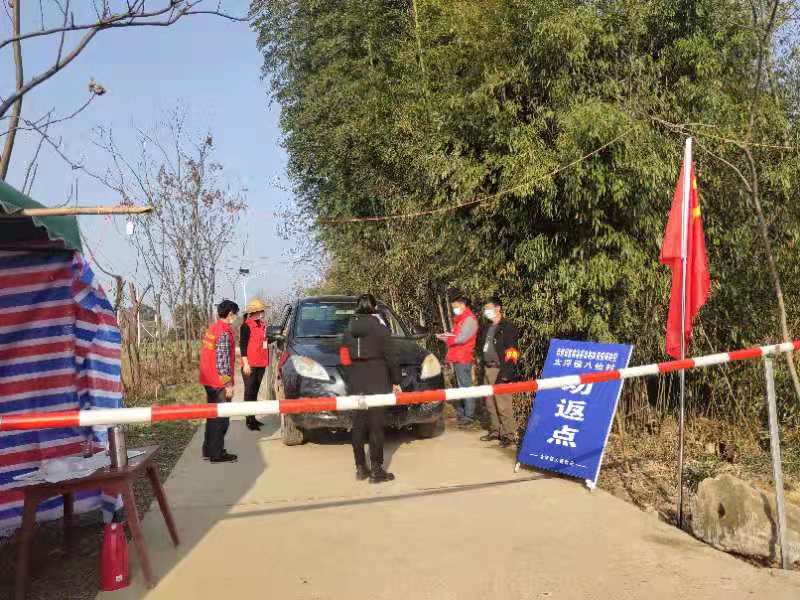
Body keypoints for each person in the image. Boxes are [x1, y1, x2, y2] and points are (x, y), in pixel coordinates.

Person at [340, 293, 402, 483]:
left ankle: (360, 468)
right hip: (378, 381)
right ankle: (376, 470)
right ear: (374, 308)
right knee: (376, 427)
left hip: (356, 382)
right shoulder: (381, 329)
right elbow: (391, 357)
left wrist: (350, 375)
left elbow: (343, 358)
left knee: (358, 425)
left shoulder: (348, 330)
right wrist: (396, 380)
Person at [199, 299, 240, 463]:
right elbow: (222, 363)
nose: (236, 317)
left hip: (208, 379)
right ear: (230, 314)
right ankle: (217, 453)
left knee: (212, 416)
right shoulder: (224, 332)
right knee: (221, 419)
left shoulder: (213, 328)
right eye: (235, 314)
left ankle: (208, 450)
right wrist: (228, 385)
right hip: (219, 383)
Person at [479, 296, 521, 448]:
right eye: (485, 309)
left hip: (500, 369)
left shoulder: (507, 327)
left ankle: (509, 434)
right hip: (487, 368)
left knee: (503, 404)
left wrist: (506, 373)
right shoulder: (487, 327)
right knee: (490, 403)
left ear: (498, 308)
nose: (486, 311)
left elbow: (512, 352)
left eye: (488, 308)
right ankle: (495, 430)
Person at [436, 295, 478, 426]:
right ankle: (462, 414)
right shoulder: (461, 320)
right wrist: (447, 336)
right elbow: (456, 336)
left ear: (463, 305)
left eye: (456, 307)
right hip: (457, 357)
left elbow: (462, 338)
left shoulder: (469, 320)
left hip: (463, 357)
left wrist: (446, 338)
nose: (454, 309)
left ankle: (469, 415)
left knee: (466, 386)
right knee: (460, 386)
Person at [240, 298, 269, 431]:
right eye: (261, 310)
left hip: (261, 363)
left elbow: (265, 341)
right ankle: (249, 420)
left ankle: (253, 418)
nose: (263, 312)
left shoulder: (262, 325)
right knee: (249, 392)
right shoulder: (246, 326)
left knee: (255, 392)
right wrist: (245, 364)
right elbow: (243, 346)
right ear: (255, 312)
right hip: (250, 364)